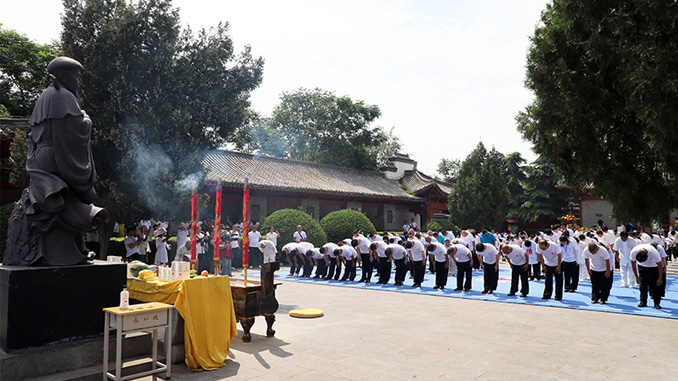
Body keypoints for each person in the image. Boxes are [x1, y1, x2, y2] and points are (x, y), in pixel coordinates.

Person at [630, 244, 664, 309]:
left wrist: (660, 278)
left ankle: (656, 303)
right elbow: (633, 264)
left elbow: (660, 265)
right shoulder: (633, 251)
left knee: (655, 286)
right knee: (643, 285)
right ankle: (643, 302)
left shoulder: (653, 252)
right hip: (642, 267)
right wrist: (636, 277)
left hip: (654, 267)